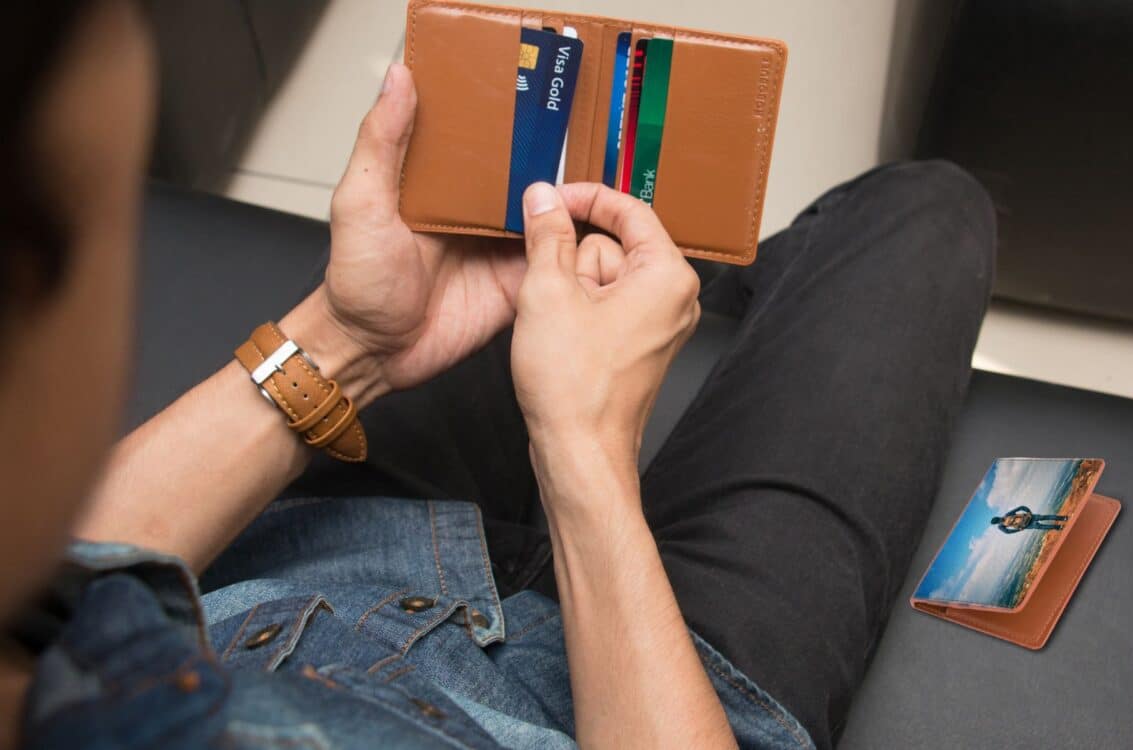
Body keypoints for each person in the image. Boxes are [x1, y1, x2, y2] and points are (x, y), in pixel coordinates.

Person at [0, 2, 994, 749]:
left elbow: (66, 578)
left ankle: (687, 286)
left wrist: (351, 341)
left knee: (555, 226)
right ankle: (712, 285)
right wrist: (583, 455)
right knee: (922, 211)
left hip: (309, 571)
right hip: (672, 691)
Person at [991, 506, 1069, 533]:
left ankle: (1059, 527)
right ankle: (1064, 518)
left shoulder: (1000, 526)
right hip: (1029, 517)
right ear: (998, 517)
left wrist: (1019, 530)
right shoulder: (1006, 515)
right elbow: (1020, 507)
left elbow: (1008, 532)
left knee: (1043, 527)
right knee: (1046, 517)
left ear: (996, 523)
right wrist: (1029, 512)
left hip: (1026, 525)